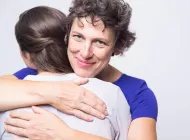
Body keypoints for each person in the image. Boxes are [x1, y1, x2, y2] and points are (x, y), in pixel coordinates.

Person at [1, 0, 158, 139]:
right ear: (67, 36)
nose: (85, 53)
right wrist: (55, 93)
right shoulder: (40, 72)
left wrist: (64, 135)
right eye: (78, 37)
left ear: (116, 47)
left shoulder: (137, 93)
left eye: (100, 42)